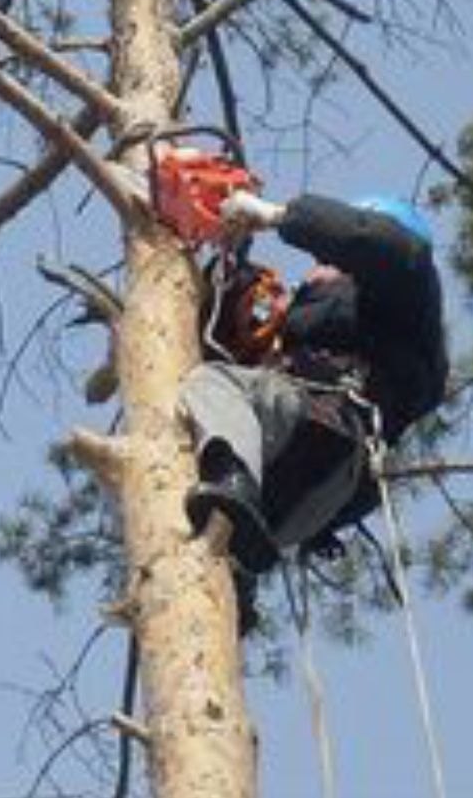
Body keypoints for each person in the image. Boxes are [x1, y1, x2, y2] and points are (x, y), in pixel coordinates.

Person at [179, 191, 448, 586]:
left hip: (322, 426)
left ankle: (234, 483)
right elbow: (216, 334)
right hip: (308, 502)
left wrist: (281, 217)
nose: (309, 273)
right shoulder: (302, 339)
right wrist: (226, 269)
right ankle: (234, 578)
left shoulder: (400, 298)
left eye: (325, 261)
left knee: (212, 383)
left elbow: (380, 246)